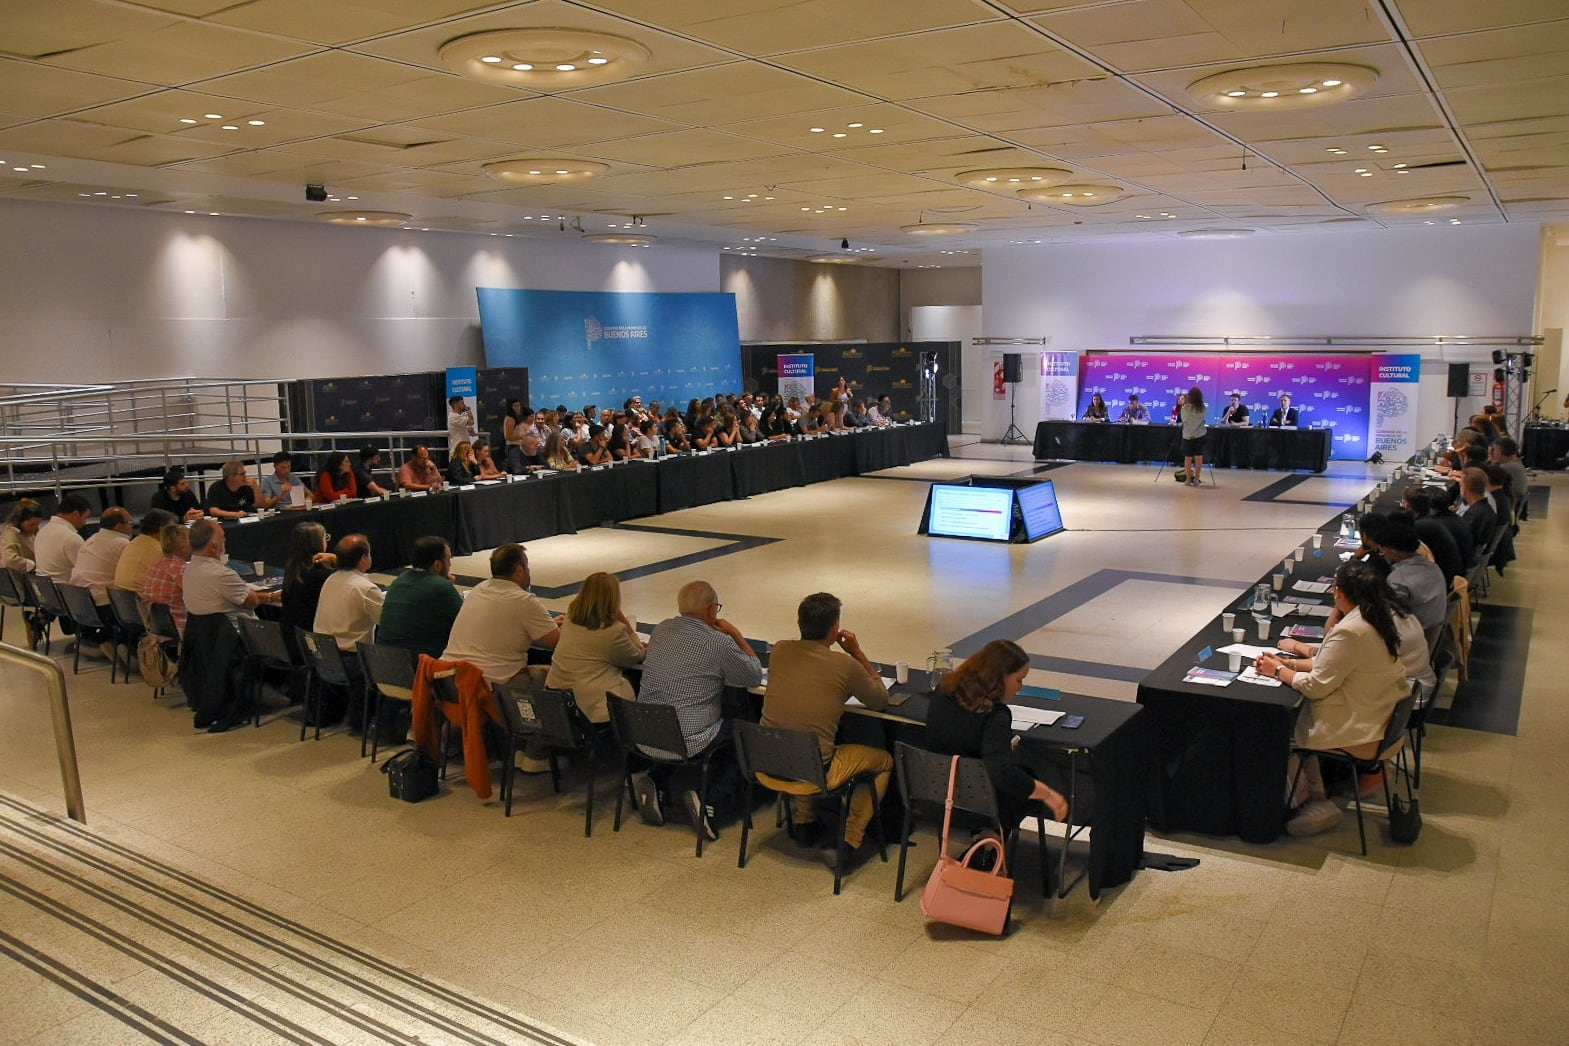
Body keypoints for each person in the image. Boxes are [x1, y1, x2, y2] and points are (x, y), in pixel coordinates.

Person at [1256, 562, 1409, 837]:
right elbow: (1332, 663)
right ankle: (1316, 796)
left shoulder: (1350, 630)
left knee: (1279, 729)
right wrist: (1289, 663)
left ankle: (1310, 799)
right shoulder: (1376, 618)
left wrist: (1277, 671)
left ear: (1338, 593)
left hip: (1359, 727)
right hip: (1382, 718)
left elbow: (1316, 686)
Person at [761, 592, 891, 872]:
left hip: (767, 759)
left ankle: (804, 822)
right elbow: (880, 700)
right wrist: (857, 653)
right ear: (835, 629)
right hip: (813, 769)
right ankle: (849, 841)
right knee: (884, 761)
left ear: (799, 623)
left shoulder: (780, 650)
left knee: (799, 739)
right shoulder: (845, 665)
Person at [635, 580, 762, 836]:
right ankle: (709, 799)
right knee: (740, 732)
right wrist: (735, 634)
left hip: (644, 732)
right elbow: (753, 675)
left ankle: (656, 779)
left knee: (675, 717)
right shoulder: (717, 642)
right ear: (710, 609)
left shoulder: (661, 630)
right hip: (688, 739)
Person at [925, 639, 1071, 835]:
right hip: (977, 801)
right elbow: (1002, 773)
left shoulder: (943, 689)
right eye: (1019, 680)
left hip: (932, 788)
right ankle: (993, 839)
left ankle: (985, 839)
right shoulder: (995, 715)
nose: (1020, 687)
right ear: (1000, 678)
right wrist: (1048, 794)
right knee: (1024, 775)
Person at [442, 543, 561, 691]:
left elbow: (500, 627)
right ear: (519, 570)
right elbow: (558, 643)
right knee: (557, 674)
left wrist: (545, 625)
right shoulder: (523, 600)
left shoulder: (478, 590)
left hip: (449, 680)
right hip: (490, 686)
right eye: (527, 567)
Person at [545, 571, 646, 725]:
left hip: (558, 697)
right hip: (591, 709)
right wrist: (627, 627)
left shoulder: (571, 618)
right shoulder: (613, 632)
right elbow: (637, 655)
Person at [377, 535, 463, 662]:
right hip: (419, 666)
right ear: (437, 565)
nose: (450, 564)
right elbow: (463, 622)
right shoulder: (441, 587)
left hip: (382, 662)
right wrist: (447, 585)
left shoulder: (399, 580)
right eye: (448, 559)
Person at [312, 534, 384, 670]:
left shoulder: (330, 579)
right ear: (364, 558)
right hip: (353, 662)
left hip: (323, 658)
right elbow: (385, 621)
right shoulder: (366, 588)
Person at [182, 519, 277, 621]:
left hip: (201, 630)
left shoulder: (187, 570)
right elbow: (252, 601)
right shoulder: (222, 575)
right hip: (238, 629)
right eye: (222, 537)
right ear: (214, 547)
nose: (225, 540)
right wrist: (270, 597)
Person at [1374, 517, 1448, 632]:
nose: (1382, 554)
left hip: (1413, 636)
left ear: (1393, 551)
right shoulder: (1434, 568)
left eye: (1382, 550)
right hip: (1433, 632)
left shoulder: (1398, 580)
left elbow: (1392, 622)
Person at [278, 522, 336, 659]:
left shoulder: (292, 570)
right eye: (325, 538)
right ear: (317, 544)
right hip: (313, 647)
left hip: (291, 642)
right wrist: (336, 559)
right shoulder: (320, 575)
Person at [70, 506, 133, 605]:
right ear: (119, 526)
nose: (132, 526)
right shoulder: (122, 543)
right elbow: (131, 578)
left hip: (81, 601)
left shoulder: (91, 539)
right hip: (104, 603)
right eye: (130, 523)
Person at [141, 523, 191, 634]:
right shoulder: (181, 571)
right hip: (180, 628)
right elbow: (200, 599)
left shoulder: (153, 567)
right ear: (183, 548)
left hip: (156, 627)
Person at [113, 508, 176, 595]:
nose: (175, 534)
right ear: (162, 529)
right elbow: (175, 579)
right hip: (143, 599)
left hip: (123, 599)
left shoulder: (135, 542)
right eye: (172, 530)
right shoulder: (157, 550)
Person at [35, 493, 91, 579]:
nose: (85, 523)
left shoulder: (42, 531)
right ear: (76, 514)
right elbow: (88, 572)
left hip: (43, 585)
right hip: (66, 586)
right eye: (85, 517)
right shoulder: (71, 538)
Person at [1455, 466, 1498, 555]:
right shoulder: (1486, 509)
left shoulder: (1473, 515)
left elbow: (1460, 541)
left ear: (1465, 488)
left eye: (1461, 485)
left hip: (1464, 557)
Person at [1489, 437, 1528, 521]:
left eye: (1494, 450)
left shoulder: (1506, 467)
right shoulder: (1517, 463)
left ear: (1501, 452)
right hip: (1511, 505)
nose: (1493, 453)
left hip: (1506, 507)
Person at [2, 498, 45, 573]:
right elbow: (9, 560)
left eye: (37, 524)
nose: (35, 528)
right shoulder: (10, 534)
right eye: (31, 524)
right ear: (19, 521)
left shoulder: (30, 533)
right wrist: (32, 565)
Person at [1179, 386, 1207, 487]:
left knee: (1188, 458)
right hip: (1200, 434)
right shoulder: (1203, 408)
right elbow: (1203, 419)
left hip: (1188, 435)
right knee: (1199, 457)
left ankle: (1188, 479)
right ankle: (1196, 478)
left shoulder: (1185, 408)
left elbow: (1184, 420)